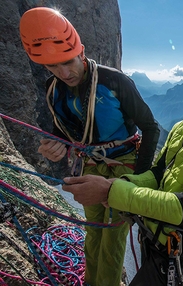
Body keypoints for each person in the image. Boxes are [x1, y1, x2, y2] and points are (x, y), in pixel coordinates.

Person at [62, 53, 183, 285]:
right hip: (152, 234)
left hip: (178, 249)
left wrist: (110, 192)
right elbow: (157, 174)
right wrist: (121, 183)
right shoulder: (182, 128)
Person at [19, 7, 160, 286]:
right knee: (93, 231)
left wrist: (135, 182)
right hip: (90, 165)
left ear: (80, 52)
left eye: (68, 61)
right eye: (53, 66)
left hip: (124, 165)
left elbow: (151, 128)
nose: (64, 72)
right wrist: (54, 145)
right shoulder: (53, 89)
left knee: (113, 237)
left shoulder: (114, 81)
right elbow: (64, 128)